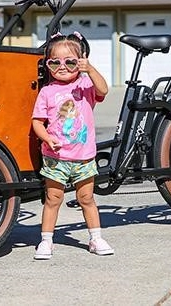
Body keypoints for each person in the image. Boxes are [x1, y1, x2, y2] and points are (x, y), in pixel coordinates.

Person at [32, 31, 114, 259]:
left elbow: (103, 90)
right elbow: (37, 122)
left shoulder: (86, 84)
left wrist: (90, 68)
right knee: (53, 199)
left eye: (70, 61)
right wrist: (46, 138)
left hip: (83, 156)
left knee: (86, 198)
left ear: (80, 62)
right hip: (55, 157)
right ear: (47, 64)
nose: (62, 66)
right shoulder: (47, 92)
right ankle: (46, 241)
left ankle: (96, 238)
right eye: (54, 62)